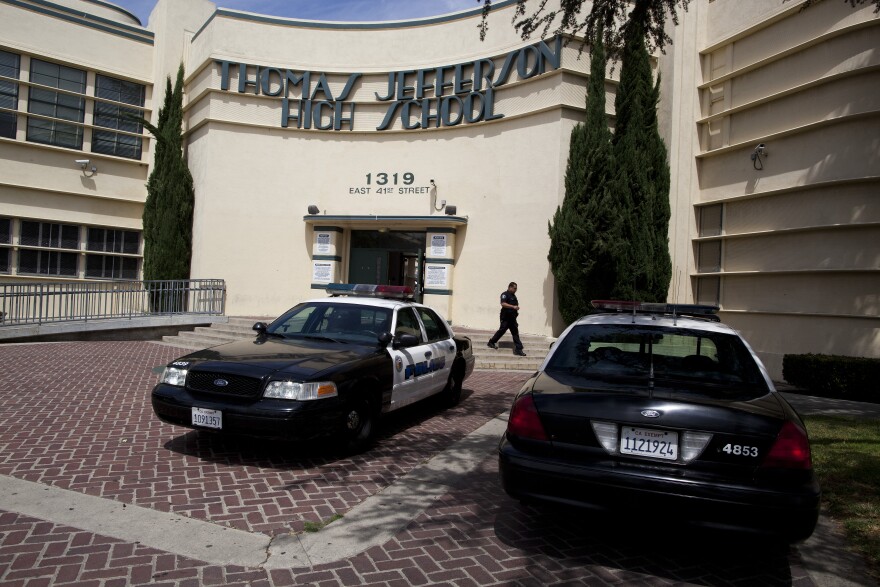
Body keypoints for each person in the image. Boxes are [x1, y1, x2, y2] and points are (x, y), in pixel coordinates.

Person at [487, 282, 526, 356]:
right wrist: (513, 307)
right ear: (510, 287)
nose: (516, 290)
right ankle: (491, 342)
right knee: (502, 330)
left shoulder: (514, 296)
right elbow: (503, 304)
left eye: (516, 288)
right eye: (514, 288)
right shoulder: (505, 294)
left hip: (512, 318)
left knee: (515, 333)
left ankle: (518, 349)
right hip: (506, 317)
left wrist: (516, 310)